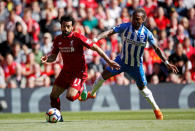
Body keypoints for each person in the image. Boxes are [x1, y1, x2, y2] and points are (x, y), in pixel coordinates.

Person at [83, 8, 178, 120]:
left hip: (136, 66)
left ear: (143, 20)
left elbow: (156, 48)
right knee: (104, 75)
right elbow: (109, 32)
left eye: (137, 19)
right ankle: (92, 93)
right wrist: (95, 39)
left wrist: (166, 62)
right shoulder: (126, 26)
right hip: (121, 61)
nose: (134, 21)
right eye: (133, 18)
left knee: (142, 88)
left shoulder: (147, 34)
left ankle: (157, 110)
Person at [41, 15, 120, 122]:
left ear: (72, 27)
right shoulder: (58, 39)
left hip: (79, 73)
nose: (66, 29)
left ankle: (82, 88)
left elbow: (95, 47)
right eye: (64, 26)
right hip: (66, 72)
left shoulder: (78, 37)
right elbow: (53, 57)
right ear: (61, 26)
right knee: (53, 96)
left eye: (68, 26)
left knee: (70, 97)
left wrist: (109, 61)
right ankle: (58, 117)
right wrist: (47, 59)